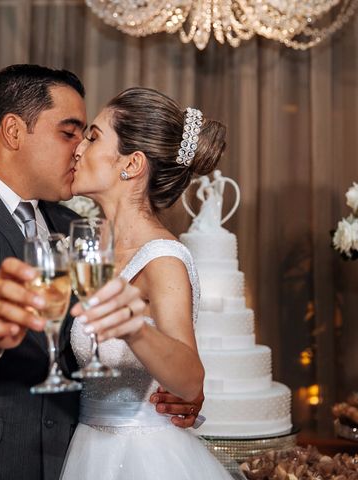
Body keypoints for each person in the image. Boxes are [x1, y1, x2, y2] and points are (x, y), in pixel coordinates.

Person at [0, 65, 203, 480]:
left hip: (73, 461)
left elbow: (107, 352)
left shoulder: (75, 228)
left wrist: (171, 387)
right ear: (13, 131)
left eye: (88, 136)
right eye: (69, 133)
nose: (79, 148)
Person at [60, 87, 232, 479]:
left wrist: (133, 328)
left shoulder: (163, 259)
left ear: (132, 164)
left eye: (93, 136)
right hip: (86, 445)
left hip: (142, 455)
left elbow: (190, 379)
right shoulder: (85, 243)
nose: (78, 149)